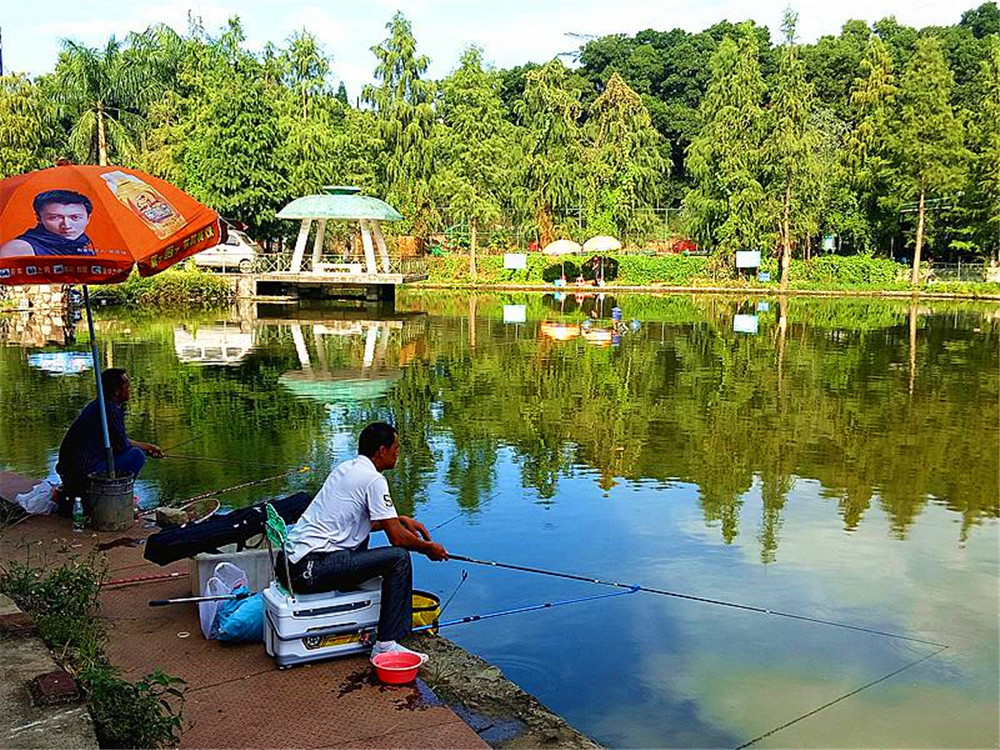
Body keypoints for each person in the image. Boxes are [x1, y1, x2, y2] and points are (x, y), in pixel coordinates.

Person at [277, 422, 448, 660]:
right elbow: (397, 539)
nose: (398, 453)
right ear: (381, 450)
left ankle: (357, 601)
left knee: (363, 539)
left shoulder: (346, 468)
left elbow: (359, 522)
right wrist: (429, 548)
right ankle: (387, 644)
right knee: (398, 559)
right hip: (309, 569)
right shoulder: (373, 480)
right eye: (396, 448)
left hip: (288, 565)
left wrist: (399, 518)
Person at [56, 368, 162, 507]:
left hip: (69, 472)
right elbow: (123, 446)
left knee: (135, 452)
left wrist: (148, 447)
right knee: (137, 456)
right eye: (127, 387)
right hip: (83, 474)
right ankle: (116, 500)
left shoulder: (99, 405)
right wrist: (146, 449)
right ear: (117, 391)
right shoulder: (110, 409)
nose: (130, 389)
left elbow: (121, 441)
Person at [0, 189, 97, 257]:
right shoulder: (19, 249)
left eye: (75, 217)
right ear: (39, 218)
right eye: (54, 218)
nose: (66, 225)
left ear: (88, 219)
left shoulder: (84, 248)